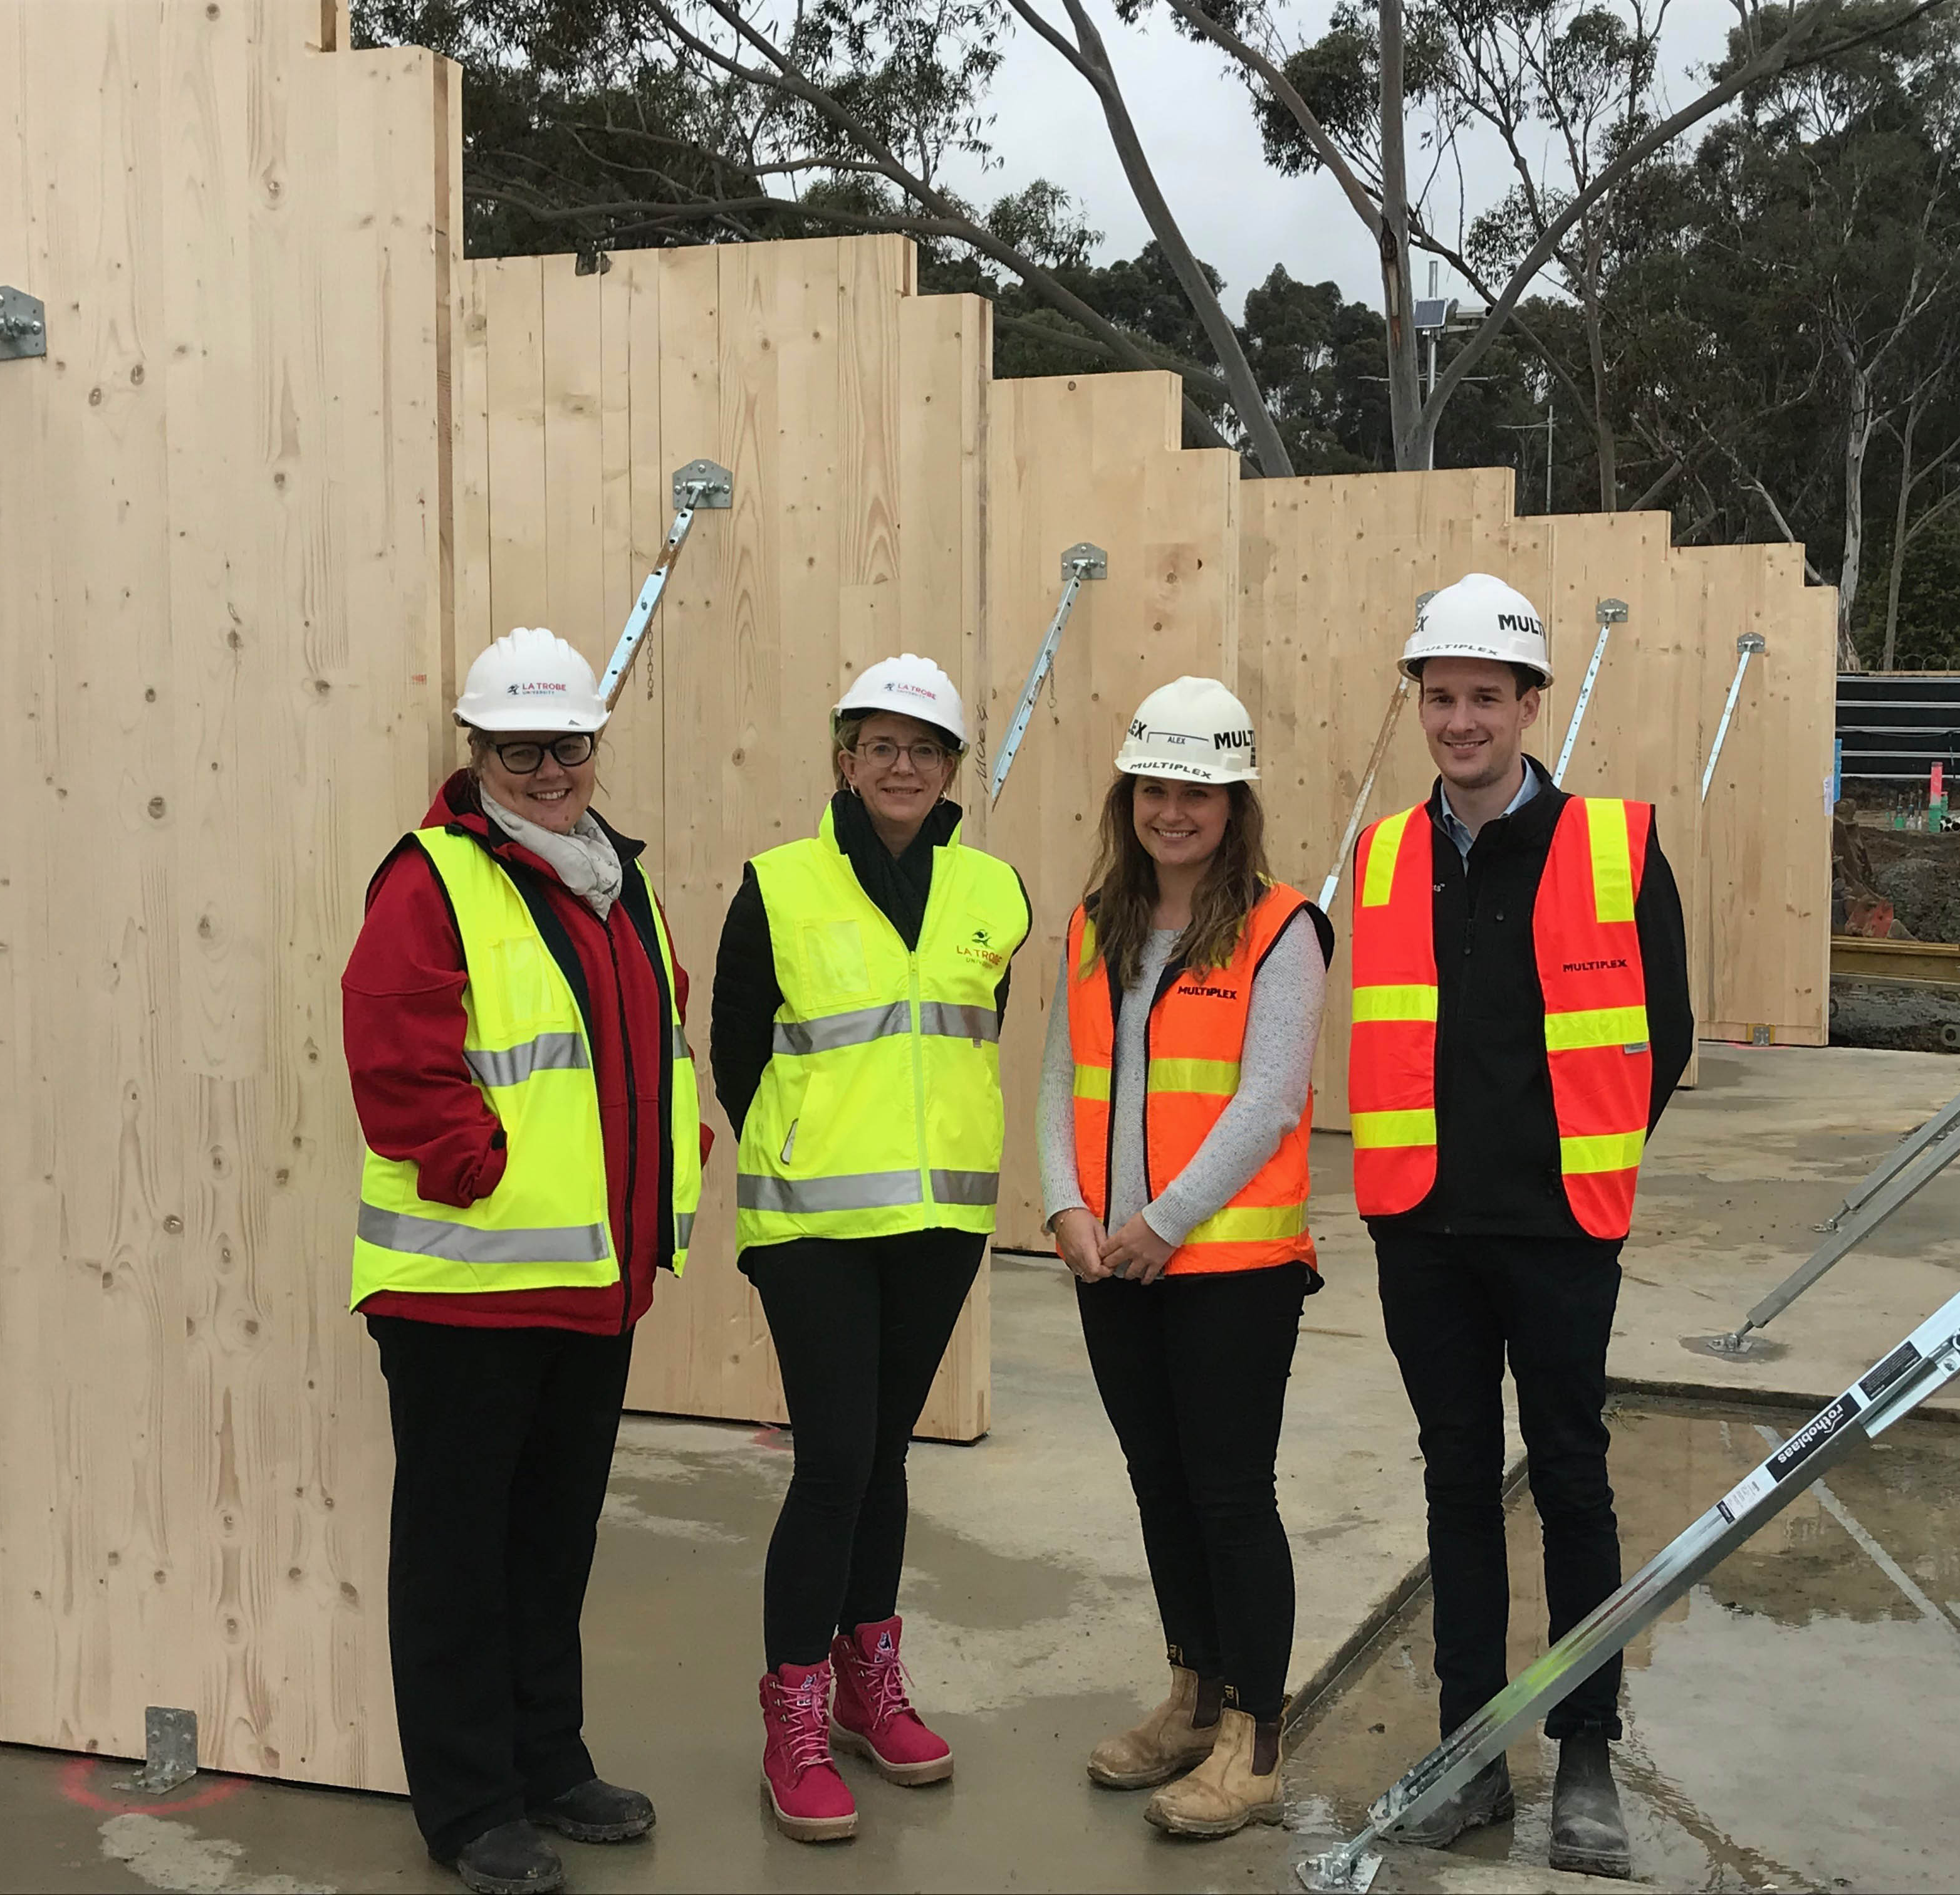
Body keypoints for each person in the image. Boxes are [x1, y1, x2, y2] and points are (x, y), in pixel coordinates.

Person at [341, 625, 704, 1895]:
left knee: (552, 1542)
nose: (549, 770)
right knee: (458, 1555)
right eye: (521, 750)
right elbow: (397, 1054)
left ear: (592, 748)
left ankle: (549, 1762)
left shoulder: (619, 877)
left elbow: (652, 1039)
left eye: (566, 747)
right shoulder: (433, 877)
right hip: (468, 1288)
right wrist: (478, 1167)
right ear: (479, 753)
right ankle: (469, 1805)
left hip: (594, 1285)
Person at [1345, 575, 1692, 1880]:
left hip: (1555, 1235)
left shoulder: (1611, 845)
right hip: (1421, 1229)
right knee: (1453, 1488)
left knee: (1572, 1479)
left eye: (1485, 697)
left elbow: (1665, 1037)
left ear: (1530, 704)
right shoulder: (1386, 856)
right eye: (1440, 698)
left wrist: (1577, 1174)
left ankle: (1587, 1757)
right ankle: (1468, 1756)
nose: (1461, 720)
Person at [707, 654, 1031, 1843]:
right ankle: (792, 1707)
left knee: (884, 1452)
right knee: (837, 1457)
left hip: (937, 1221)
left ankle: (865, 1683)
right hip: (812, 1228)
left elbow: (966, 1039)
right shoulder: (780, 884)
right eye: (880, 745)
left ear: (952, 771)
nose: (903, 766)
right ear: (845, 761)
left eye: (925, 748)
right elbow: (737, 1042)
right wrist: (796, 1150)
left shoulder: (993, 891)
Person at [1038, 677, 1330, 1839]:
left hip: (1230, 1272)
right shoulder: (1096, 919)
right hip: (1111, 1265)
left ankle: (1256, 1742)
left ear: (1234, 802)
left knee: (1229, 1496)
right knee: (1161, 1489)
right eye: (1157, 788)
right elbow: (1064, 1074)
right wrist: (1066, 1207)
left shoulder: (1282, 927)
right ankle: (1193, 1697)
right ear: (1131, 796)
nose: (1176, 810)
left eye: (1199, 791)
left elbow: (1264, 1103)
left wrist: (1162, 1222)